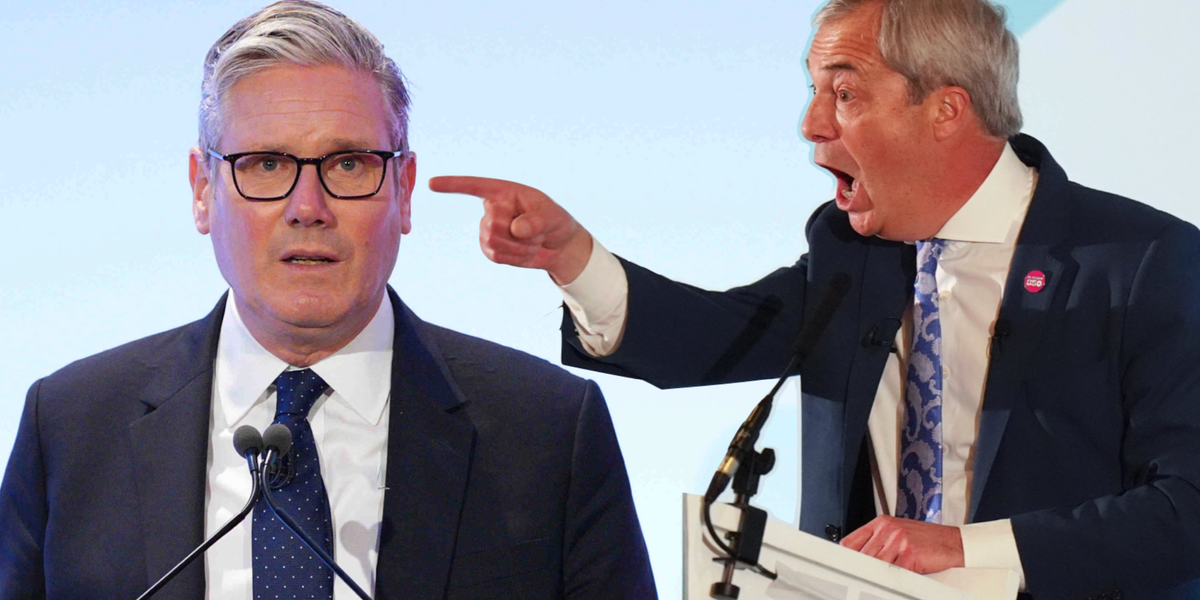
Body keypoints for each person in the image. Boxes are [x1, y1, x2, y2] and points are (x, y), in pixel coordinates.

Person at [429, 0, 1200, 598]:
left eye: (845, 92)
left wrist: (965, 551)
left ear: (945, 111)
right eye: (814, 89)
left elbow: (1188, 507)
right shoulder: (852, 254)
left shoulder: (1146, 262)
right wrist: (572, 258)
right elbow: (709, 338)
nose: (810, 124)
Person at [0, 2, 655, 598]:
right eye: (266, 164)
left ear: (403, 190)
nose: (307, 207)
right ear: (203, 190)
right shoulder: (70, 429)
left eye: (348, 164)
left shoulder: (547, 432)